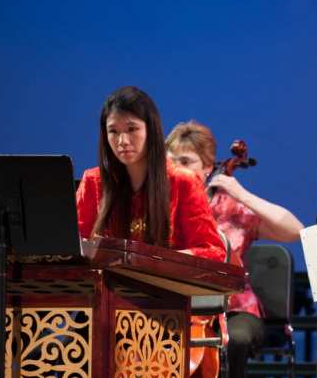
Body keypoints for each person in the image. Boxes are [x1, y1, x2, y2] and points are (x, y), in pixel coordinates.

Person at [165, 120, 305, 378]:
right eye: (171, 161)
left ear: (208, 167)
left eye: (186, 162)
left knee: (233, 341)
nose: (177, 169)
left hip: (234, 309)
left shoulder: (231, 208)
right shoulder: (161, 206)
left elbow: (295, 230)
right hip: (177, 306)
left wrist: (238, 192)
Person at [75, 87, 225, 262]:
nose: (122, 141)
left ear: (151, 130)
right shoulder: (93, 180)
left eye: (132, 129)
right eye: (113, 131)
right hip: (107, 279)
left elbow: (213, 252)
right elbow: (74, 246)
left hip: (164, 279)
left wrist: (152, 261)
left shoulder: (183, 181)